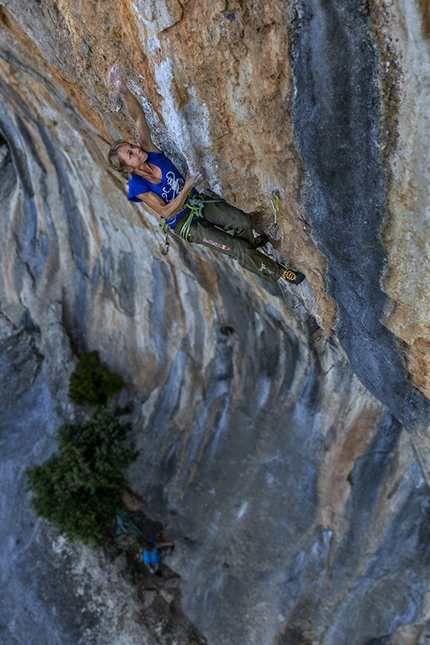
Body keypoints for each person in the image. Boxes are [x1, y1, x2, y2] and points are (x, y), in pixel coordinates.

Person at [107, 66, 305, 285]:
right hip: (186, 224)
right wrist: (188, 186)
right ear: (128, 168)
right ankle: (279, 272)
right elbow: (165, 210)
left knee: (241, 221)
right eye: (130, 154)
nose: (136, 149)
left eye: (131, 147)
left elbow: (138, 117)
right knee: (235, 248)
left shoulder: (149, 151)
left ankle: (252, 247)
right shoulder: (138, 186)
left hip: (194, 202)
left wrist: (124, 91)